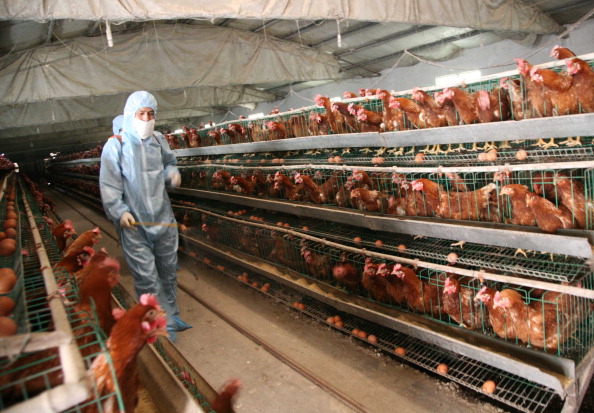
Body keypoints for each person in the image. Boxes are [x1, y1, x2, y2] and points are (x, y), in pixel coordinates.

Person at [100, 91, 191, 341]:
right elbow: (109, 184)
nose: (147, 118)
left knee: (168, 271)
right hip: (135, 223)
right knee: (147, 276)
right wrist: (119, 211)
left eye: (151, 114)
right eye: (142, 114)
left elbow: (166, 164)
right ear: (131, 115)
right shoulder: (116, 144)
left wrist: (172, 173)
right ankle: (156, 322)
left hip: (162, 218)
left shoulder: (158, 139)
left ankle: (171, 315)